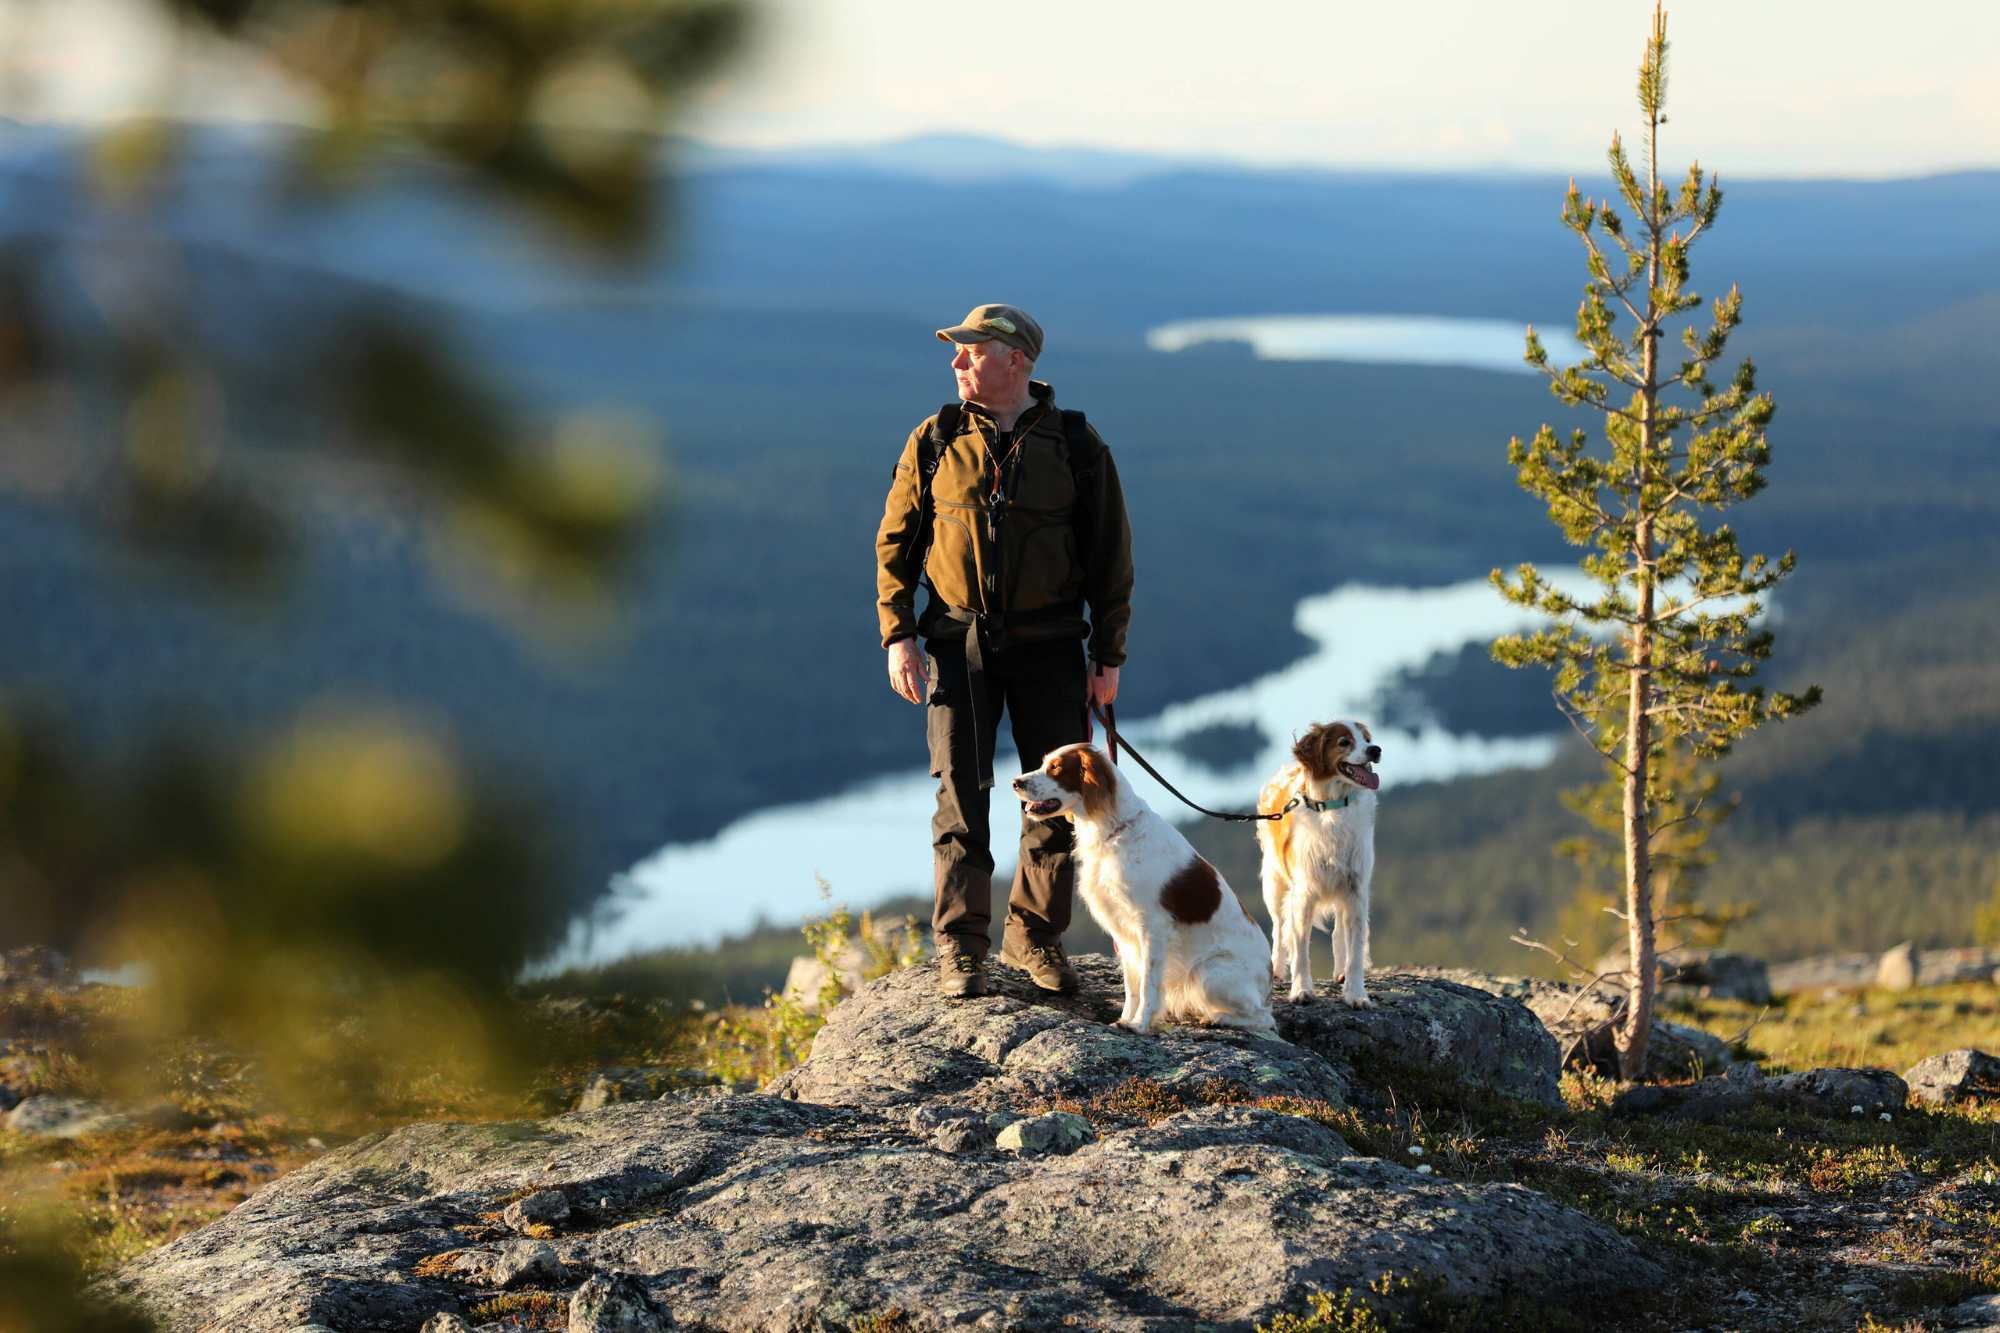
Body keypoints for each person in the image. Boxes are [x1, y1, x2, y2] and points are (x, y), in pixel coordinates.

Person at [874, 303, 1134, 998]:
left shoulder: (1077, 444)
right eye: (956, 351)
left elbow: (1112, 558)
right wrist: (898, 633)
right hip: (957, 644)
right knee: (959, 794)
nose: (957, 361)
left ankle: (1034, 939)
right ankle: (961, 947)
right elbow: (895, 544)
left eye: (972, 350)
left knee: (1054, 800)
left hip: (1052, 646)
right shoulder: (934, 439)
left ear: (1016, 359)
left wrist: (1108, 658)